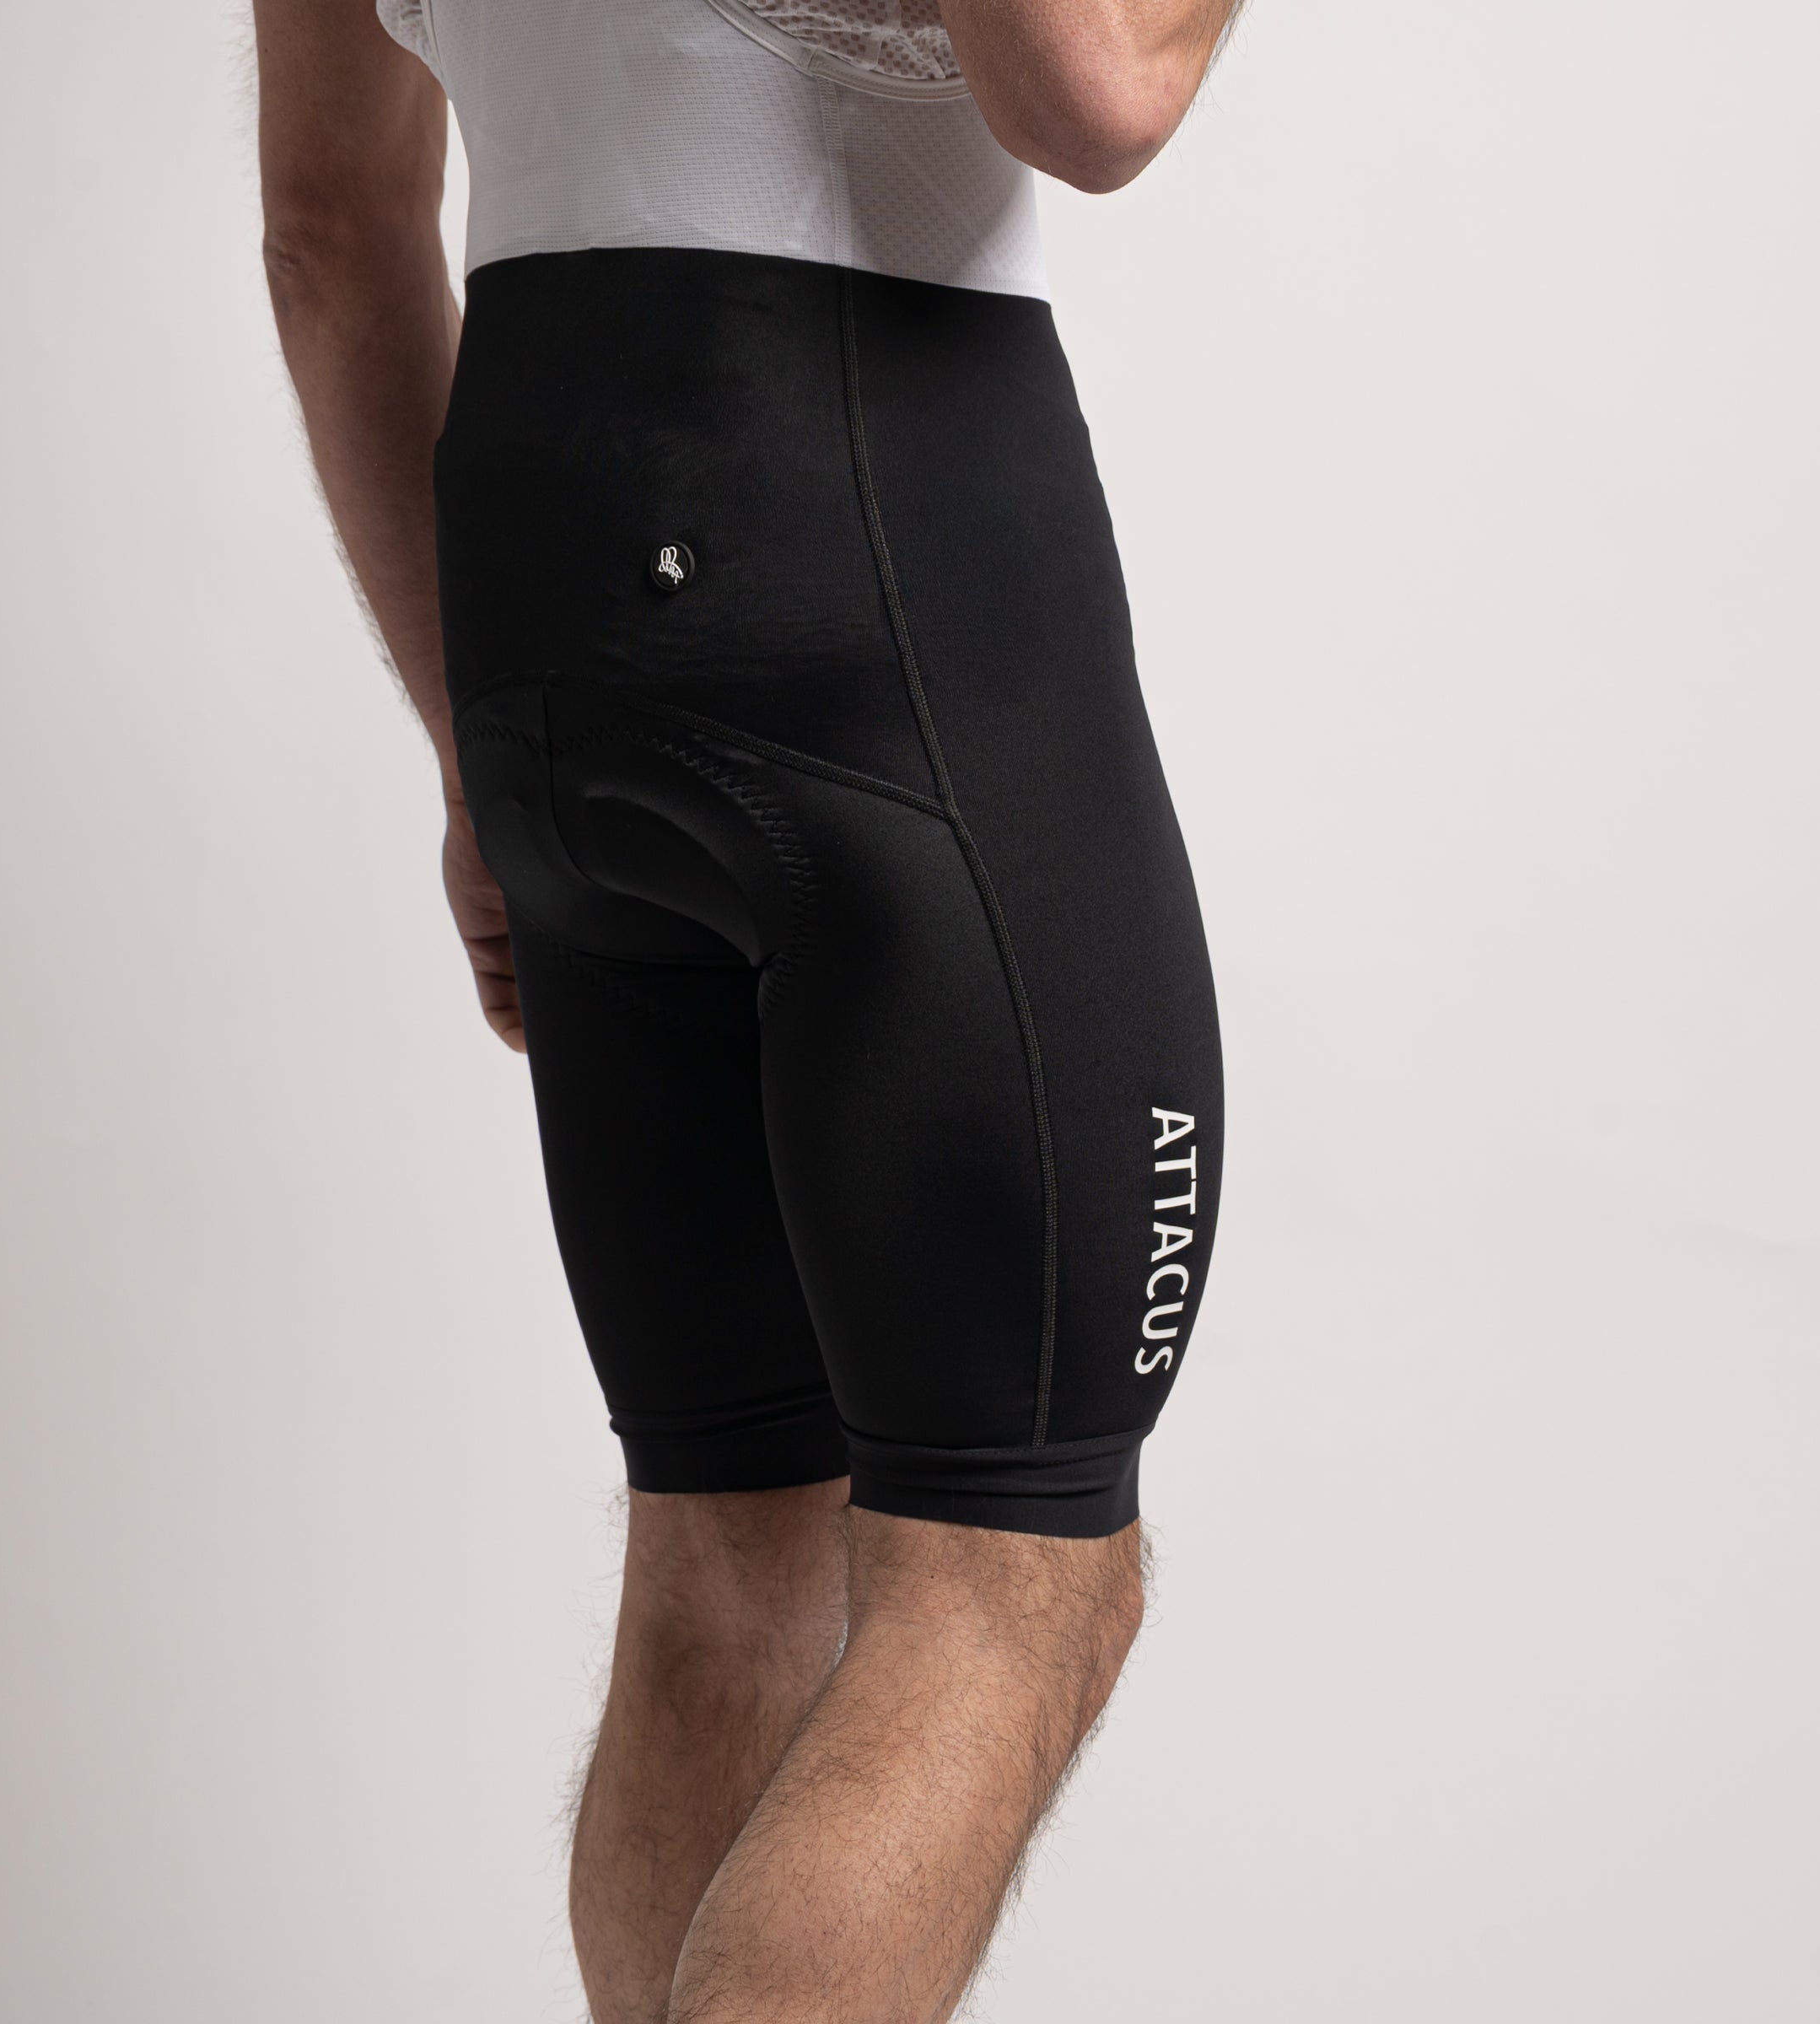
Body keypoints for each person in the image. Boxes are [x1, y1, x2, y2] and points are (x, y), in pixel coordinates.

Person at [253, 1, 1237, 2015]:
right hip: (871, 540)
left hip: (543, 590)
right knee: (1012, 1576)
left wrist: (471, 757)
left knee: (729, 1548)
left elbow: (331, 226)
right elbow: (1099, 89)